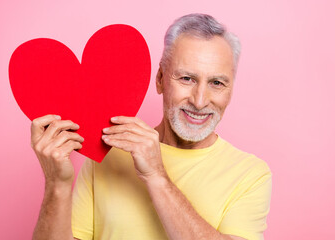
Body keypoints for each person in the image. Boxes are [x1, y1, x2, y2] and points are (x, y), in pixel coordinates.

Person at [31, 13, 272, 240]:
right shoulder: (107, 153)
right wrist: (57, 185)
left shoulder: (251, 175)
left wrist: (156, 175)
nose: (199, 101)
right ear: (160, 80)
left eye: (217, 83)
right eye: (187, 79)